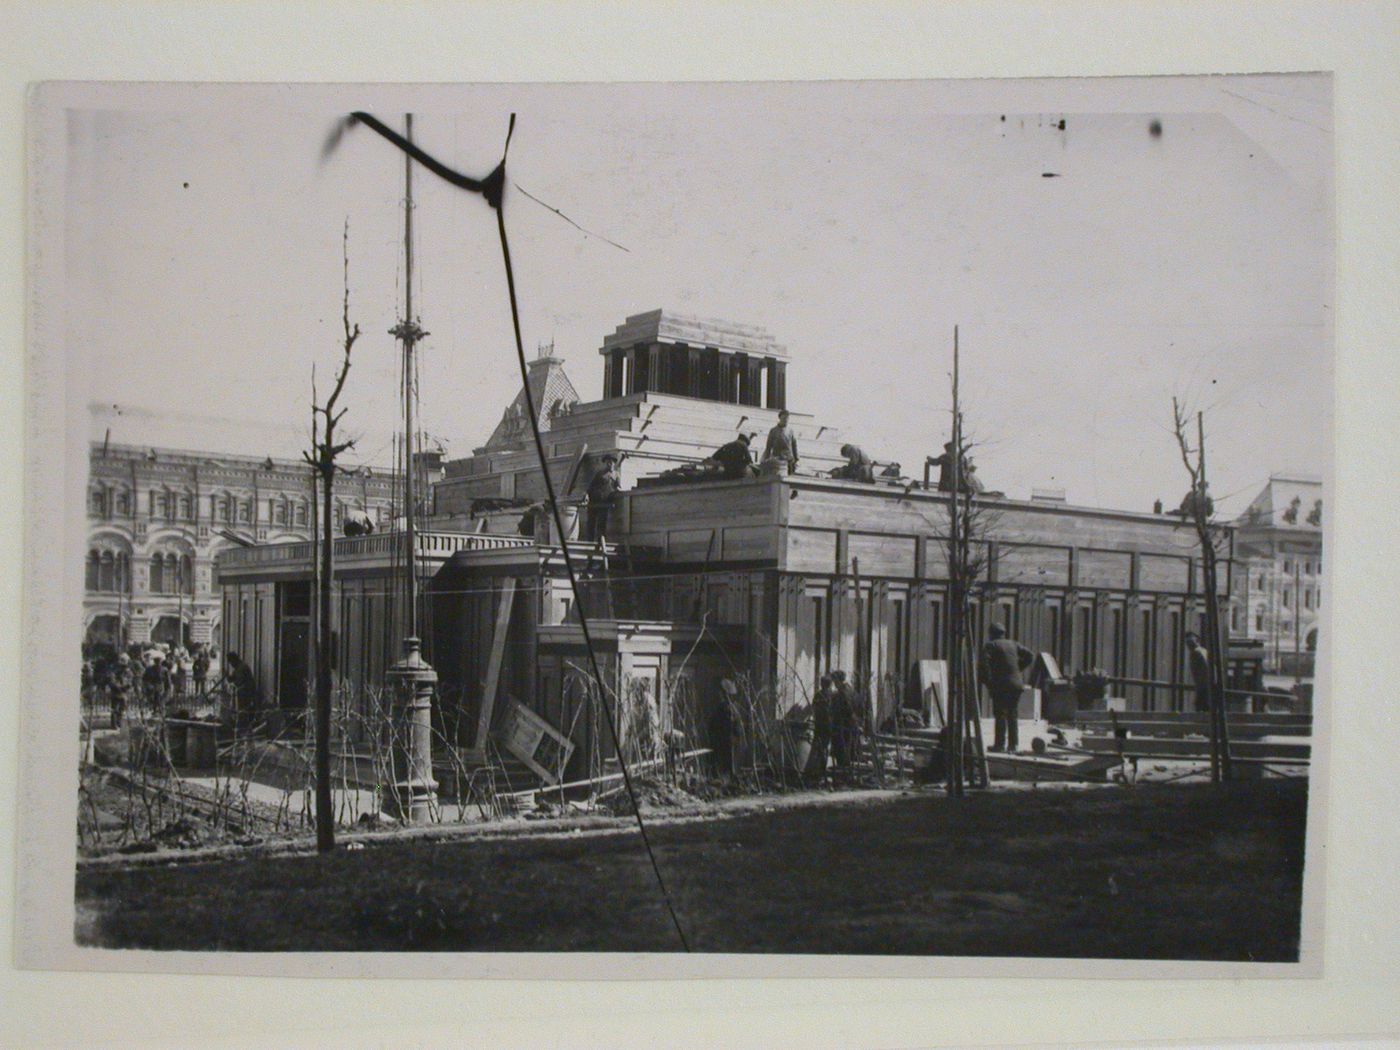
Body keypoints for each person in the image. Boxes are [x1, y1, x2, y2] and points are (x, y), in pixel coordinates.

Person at [979, 622, 1035, 753]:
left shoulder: (991, 645)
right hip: (1016, 684)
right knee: (1012, 714)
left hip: (1001, 685)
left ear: (991, 634)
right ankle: (1013, 745)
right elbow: (1030, 655)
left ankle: (999, 745)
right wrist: (1018, 669)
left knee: (1000, 714)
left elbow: (984, 665)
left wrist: (989, 682)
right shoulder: (1013, 644)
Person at [584, 455, 621, 541]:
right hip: (593, 502)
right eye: (607, 462)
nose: (609, 464)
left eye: (611, 462)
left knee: (601, 524)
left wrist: (618, 491)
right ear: (605, 463)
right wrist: (586, 495)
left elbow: (618, 487)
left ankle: (600, 544)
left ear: (614, 464)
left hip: (604, 502)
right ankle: (590, 544)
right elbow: (591, 486)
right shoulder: (599, 474)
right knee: (591, 523)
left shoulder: (616, 475)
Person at [807, 674, 835, 784]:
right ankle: (822, 771)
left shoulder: (818, 695)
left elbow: (813, 708)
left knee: (819, 748)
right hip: (828, 725)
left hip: (820, 725)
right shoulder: (832, 696)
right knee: (825, 748)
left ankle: (819, 771)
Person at [707, 679, 739, 778]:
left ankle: (728, 777)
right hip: (720, 738)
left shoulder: (727, 708)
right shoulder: (723, 707)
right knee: (720, 759)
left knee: (727, 760)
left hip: (725, 738)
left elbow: (733, 723)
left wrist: (734, 735)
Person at [829, 670, 859, 773]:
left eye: (835, 681)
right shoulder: (850, 690)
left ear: (838, 680)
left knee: (842, 748)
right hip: (849, 724)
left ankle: (843, 772)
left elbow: (847, 708)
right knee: (847, 747)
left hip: (844, 725)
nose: (834, 684)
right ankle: (846, 771)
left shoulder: (843, 692)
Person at [223, 651, 259, 727]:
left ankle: (244, 725)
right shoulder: (237, 668)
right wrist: (227, 676)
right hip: (242, 693)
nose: (231, 665)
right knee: (239, 710)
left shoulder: (242, 667)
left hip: (247, 693)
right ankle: (240, 723)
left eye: (231, 662)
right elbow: (231, 679)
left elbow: (239, 681)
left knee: (244, 711)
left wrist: (232, 682)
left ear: (234, 660)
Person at [1185, 631, 1214, 713]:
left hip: (1202, 684)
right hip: (1206, 684)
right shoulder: (1203, 650)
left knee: (1200, 706)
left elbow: (1204, 669)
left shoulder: (1196, 652)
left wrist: (1200, 685)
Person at [762, 410, 799, 475]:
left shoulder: (790, 431)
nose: (786, 420)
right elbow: (768, 446)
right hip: (777, 459)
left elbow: (794, 445)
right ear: (780, 418)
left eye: (787, 419)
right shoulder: (773, 431)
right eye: (784, 418)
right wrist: (766, 458)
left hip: (788, 459)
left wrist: (796, 459)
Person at [109, 653, 131, 728]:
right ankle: (114, 724)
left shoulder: (128, 671)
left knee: (122, 708)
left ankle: (119, 722)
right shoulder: (114, 670)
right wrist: (119, 687)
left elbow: (130, 680)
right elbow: (112, 680)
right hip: (116, 692)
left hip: (124, 692)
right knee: (115, 709)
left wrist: (127, 686)